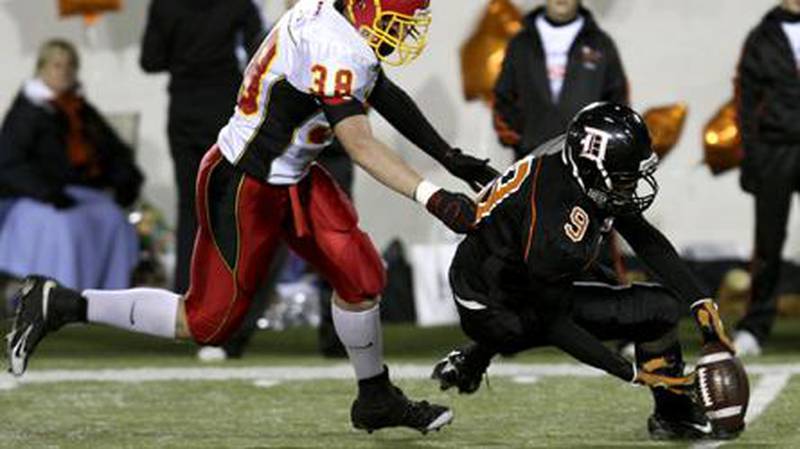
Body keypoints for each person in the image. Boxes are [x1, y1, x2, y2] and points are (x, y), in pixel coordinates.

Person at [7, 0, 498, 434]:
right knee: (208, 322)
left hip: (294, 176)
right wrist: (433, 195)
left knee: (361, 276)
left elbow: (378, 86)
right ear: (365, 7)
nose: (403, 32)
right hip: (245, 184)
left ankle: (375, 397)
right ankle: (62, 304)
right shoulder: (331, 43)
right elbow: (360, 145)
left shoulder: (337, 23)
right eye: (397, 21)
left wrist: (448, 154)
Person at [430, 103, 738, 440]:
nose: (633, 186)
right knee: (657, 310)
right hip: (493, 305)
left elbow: (643, 236)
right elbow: (554, 324)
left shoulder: (572, 164)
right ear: (592, 173)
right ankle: (674, 415)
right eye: (624, 179)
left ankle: (475, 354)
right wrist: (635, 373)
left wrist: (700, 302)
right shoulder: (557, 227)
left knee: (622, 290)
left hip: (504, 274)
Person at [140, 0, 265, 292]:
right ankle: (226, 294)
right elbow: (258, 54)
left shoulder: (163, 5)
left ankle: (187, 293)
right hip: (224, 108)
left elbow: (150, 60)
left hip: (183, 108)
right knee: (228, 203)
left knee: (190, 205)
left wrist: (183, 54)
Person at [0, 39, 143, 290]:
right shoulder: (26, 113)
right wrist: (46, 193)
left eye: (70, 65)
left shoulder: (81, 110)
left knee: (113, 220)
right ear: (41, 69)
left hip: (77, 193)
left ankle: (109, 299)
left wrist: (125, 180)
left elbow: (113, 150)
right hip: (34, 197)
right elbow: (9, 163)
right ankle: (62, 296)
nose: (64, 71)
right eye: (57, 65)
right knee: (67, 228)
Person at [734, 0, 800, 356]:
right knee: (768, 243)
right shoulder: (761, 37)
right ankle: (755, 327)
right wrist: (750, 157)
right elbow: (744, 100)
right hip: (775, 148)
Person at [493, 0, 628, 161]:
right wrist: (524, 137)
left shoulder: (600, 44)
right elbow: (503, 96)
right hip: (532, 161)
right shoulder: (521, 44)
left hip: (585, 162)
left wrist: (601, 144)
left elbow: (617, 101)